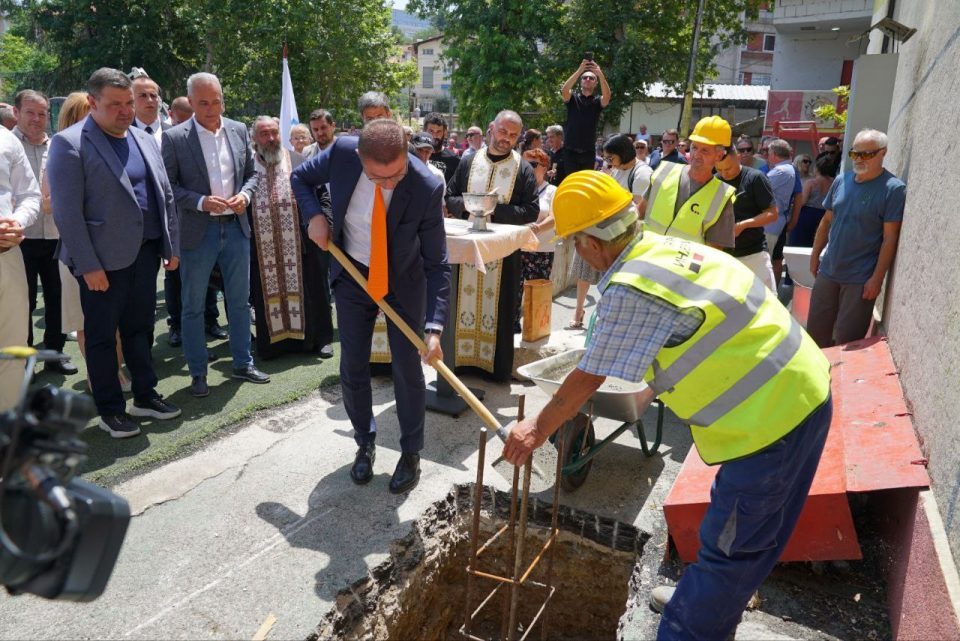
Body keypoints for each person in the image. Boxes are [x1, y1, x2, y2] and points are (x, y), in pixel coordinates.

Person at [502, 170, 833, 641]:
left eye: (575, 241)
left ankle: (689, 627)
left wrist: (535, 428)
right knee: (752, 540)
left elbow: (589, 376)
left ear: (591, 245)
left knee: (731, 549)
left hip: (770, 421)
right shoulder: (664, 247)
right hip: (800, 385)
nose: (575, 252)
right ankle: (706, 604)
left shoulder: (632, 288)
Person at [291, 118, 450, 494]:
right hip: (352, 272)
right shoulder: (344, 153)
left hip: (402, 281)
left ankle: (411, 452)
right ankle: (364, 441)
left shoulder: (426, 185)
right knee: (353, 363)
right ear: (361, 159)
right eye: (379, 179)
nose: (390, 184)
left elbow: (437, 263)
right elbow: (301, 179)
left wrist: (434, 328)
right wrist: (314, 215)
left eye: (396, 175)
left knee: (407, 367)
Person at [49, 67, 182, 437]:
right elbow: (67, 214)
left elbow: (164, 196)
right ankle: (110, 409)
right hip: (102, 264)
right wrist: (88, 265)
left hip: (145, 254)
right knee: (103, 338)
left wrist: (169, 244)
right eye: (115, 105)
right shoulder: (69, 144)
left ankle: (145, 394)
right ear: (92, 102)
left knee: (140, 329)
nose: (126, 111)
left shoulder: (143, 138)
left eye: (129, 103)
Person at [162, 72, 270, 398]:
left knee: (239, 302)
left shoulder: (238, 130)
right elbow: (168, 187)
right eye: (204, 102)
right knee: (193, 306)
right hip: (198, 231)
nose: (211, 109)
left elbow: (252, 175)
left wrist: (246, 196)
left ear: (224, 98)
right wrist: (200, 201)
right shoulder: (175, 138)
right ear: (191, 102)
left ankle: (242, 362)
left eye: (217, 101)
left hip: (236, 228)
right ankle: (198, 373)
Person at [445, 110, 538, 366]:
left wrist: (494, 208)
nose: (506, 138)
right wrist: (471, 207)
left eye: (513, 135)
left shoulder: (523, 169)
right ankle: (460, 365)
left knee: (500, 310)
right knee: (459, 305)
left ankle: (493, 369)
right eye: (502, 131)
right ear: (491, 128)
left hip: (503, 257)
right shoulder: (469, 161)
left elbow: (531, 210)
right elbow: (450, 196)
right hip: (465, 251)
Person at [807, 129, 905, 347]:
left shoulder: (893, 189)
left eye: (866, 154)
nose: (859, 159)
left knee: (848, 342)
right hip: (829, 271)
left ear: (883, 153)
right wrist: (815, 257)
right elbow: (826, 221)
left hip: (860, 278)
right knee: (815, 336)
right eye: (855, 154)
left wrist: (877, 279)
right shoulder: (842, 180)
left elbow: (890, 238)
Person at [248, 116, 334, 361]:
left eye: (274, 133)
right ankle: (276, 345)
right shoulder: (247, 166)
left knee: (315, 290)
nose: (271, 138)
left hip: (302, 244)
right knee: (264, 293)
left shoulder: (297, 160)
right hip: (262, 248)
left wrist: (325, 223)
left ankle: (321, 341)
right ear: (255, 139)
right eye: (264, 134)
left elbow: (322, 195)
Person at [12, 89, 78, 375]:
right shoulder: (6, 145)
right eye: (30, 112)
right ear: (16, 113)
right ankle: (24, 357)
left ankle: (54, 352)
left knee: (56, 297)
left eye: (42, 113)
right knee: (21, 302)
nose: (37, 119)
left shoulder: (57, 145)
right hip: (19, 239)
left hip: (54, 235)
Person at [638, 116, 735, 249]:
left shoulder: (722, 196)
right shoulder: (664, 171)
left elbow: (714, 252)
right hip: (645, 258)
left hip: (681, 269)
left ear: (719, 155)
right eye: (694, 147)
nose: (696, 155)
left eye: (704, 150)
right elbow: (639, 214)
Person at [0, 117, 41, 411]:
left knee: (12, 346)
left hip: (9, 256)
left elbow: (30, 195)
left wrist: (17, 221)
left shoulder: (5, 138)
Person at [715, 141, 778, 291]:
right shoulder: (715, 181)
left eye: (728, 168)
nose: (725, 174)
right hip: (724, 257)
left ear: (738, 157)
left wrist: (743, 225)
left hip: (754, 254)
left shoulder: (755, 178)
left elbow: (772, 214)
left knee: (766, 303)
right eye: (719, 169)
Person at [513, 147, 557, 330]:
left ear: (544, 167)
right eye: (525, 164)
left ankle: (536, 330)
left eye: (533, 164)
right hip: (518, 247)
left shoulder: (553, 191)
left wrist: (536, 228)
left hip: (542, 249)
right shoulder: (517, 189)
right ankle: (513, 328)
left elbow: (555, 218)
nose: (528, 168)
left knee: (537, 292)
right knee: (514, 292)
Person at [560, 59, 611, 178]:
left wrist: (600, 74)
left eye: (591, 78)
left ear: (595, 83)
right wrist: (580, 70)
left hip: (588, 152)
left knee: (584, 183)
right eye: (585, 77)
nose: (588, 79)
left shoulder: (598, 101)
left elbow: (607, 96)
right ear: (580, 82)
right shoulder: (573, 99)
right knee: (572, 182)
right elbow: (564, 90)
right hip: (570, 151)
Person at [763, 138, 798, 286]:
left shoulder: (781, 171)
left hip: (770, 224)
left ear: (775, 154)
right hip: (775, 221)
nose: (767, 155)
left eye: (769, 152)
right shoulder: (787, 169)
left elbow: (758, 188)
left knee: (764, 261)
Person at [788, 152, 838, 247]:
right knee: (817, 244)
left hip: (807, 215)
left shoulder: (811, 183)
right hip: (825, 215)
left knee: (799, 245)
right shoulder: (834, 182)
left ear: (817, 168)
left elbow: (802, 202)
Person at [603, 134, 652, 204]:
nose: (608, 163)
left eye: (610, 159)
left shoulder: (641, 174)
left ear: (623, 153)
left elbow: (638, 211)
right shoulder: (618, 169)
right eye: (605, 159)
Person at [423, 112, 460, 184]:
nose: (434, 135)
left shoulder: (453, 159)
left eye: (438, 131)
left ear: (445, 133)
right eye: (431, 131)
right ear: (424, 131)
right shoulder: (416, 156)